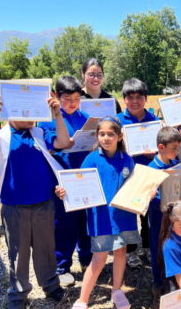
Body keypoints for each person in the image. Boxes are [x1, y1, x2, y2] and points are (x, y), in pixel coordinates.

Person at [0, 94, 71, 309]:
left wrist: (57, 114)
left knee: (45, 249)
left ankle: (51, 286)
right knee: (18, 253)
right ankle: (18, 296)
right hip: (14, 207)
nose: (31, 116)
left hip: (44, 204)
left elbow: (64, 142)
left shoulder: (40, 133)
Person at [56, 117, 138, 309]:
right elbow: (79, 183)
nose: (106, 138)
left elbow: (135, 187)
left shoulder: (127, 160)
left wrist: (146, 194)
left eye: (111, 134)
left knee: (120, 252)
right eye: (102, 134)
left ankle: (117, 291)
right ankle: (82, 299)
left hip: (123, 217)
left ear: (119, 136)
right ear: (97, 136)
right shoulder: (92, 159)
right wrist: (65, 191)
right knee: (99, 259)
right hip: (101, 218)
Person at [38, 76, 92, 286]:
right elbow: (51, 145)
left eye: (77, 98)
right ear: (56, 97)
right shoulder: (47, 119)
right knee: (63, 223)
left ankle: (87, 260)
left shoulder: (86, 117)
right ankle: (62, 266)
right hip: (61, 179)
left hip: (84, 177)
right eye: (68, 98)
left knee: (85, 221)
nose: (72, 103)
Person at [116, 78, 159, 267]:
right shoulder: (118, 121)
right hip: (125, 175)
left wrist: (154, 154)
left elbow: (162, 149)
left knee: (148, 214)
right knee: (128, 215)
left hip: (148, 174)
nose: (135, 101)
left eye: (139, 97)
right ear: (124, 99)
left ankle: (149, 248)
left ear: (146, 99)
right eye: (130, 97)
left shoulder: (154, 121)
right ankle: (132, 251)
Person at [147, 127, 181, 298]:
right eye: (174, 148)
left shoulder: (177, 163)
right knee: (158, 248)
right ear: (161, 147)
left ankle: (178, 278)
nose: (177, 151)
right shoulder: (152, 168)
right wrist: (159, 200)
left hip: (178, 218)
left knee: (176, 246)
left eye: (178, 147)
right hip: (160, 219)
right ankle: (159, 282)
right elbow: (148, 193)